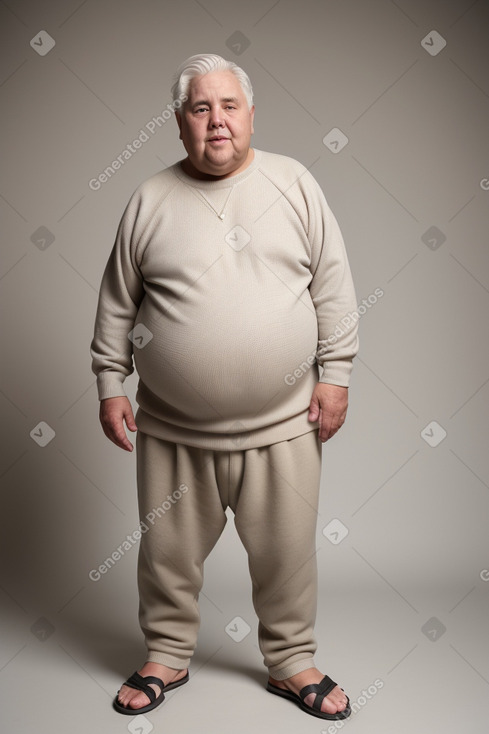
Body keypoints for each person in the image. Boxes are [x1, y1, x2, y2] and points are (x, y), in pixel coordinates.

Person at [90, 53, 359, 721]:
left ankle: (291, 660)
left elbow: (332, 286)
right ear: (179, 122)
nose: (216, 121)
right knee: (167, 553)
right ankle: (166, 653)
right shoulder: (150, 199)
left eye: (227, 106)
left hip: (283, 422)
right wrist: (108, 380)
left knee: (288, 553)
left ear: (249, 115)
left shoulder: (293, 182)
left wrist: (337, 373)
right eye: (200, 108)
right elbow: (117, 301)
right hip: (174, 427)